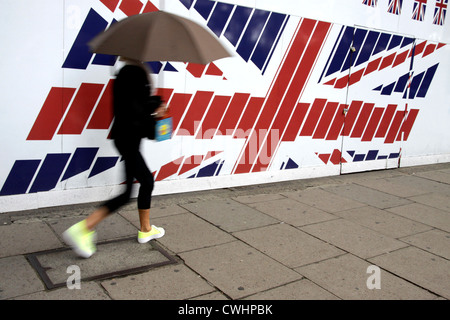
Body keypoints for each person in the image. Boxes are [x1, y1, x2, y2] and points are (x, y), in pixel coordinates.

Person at [62, 57, 166, 258]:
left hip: (127, 138)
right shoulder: (131, 72)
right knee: (140, 185)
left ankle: (145, 230)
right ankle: (83, 228)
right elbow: (134, 109)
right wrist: (155, 107)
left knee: (141, 184)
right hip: (127, 137)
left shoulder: (133, 71)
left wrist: (154, 103)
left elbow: (136, 104)